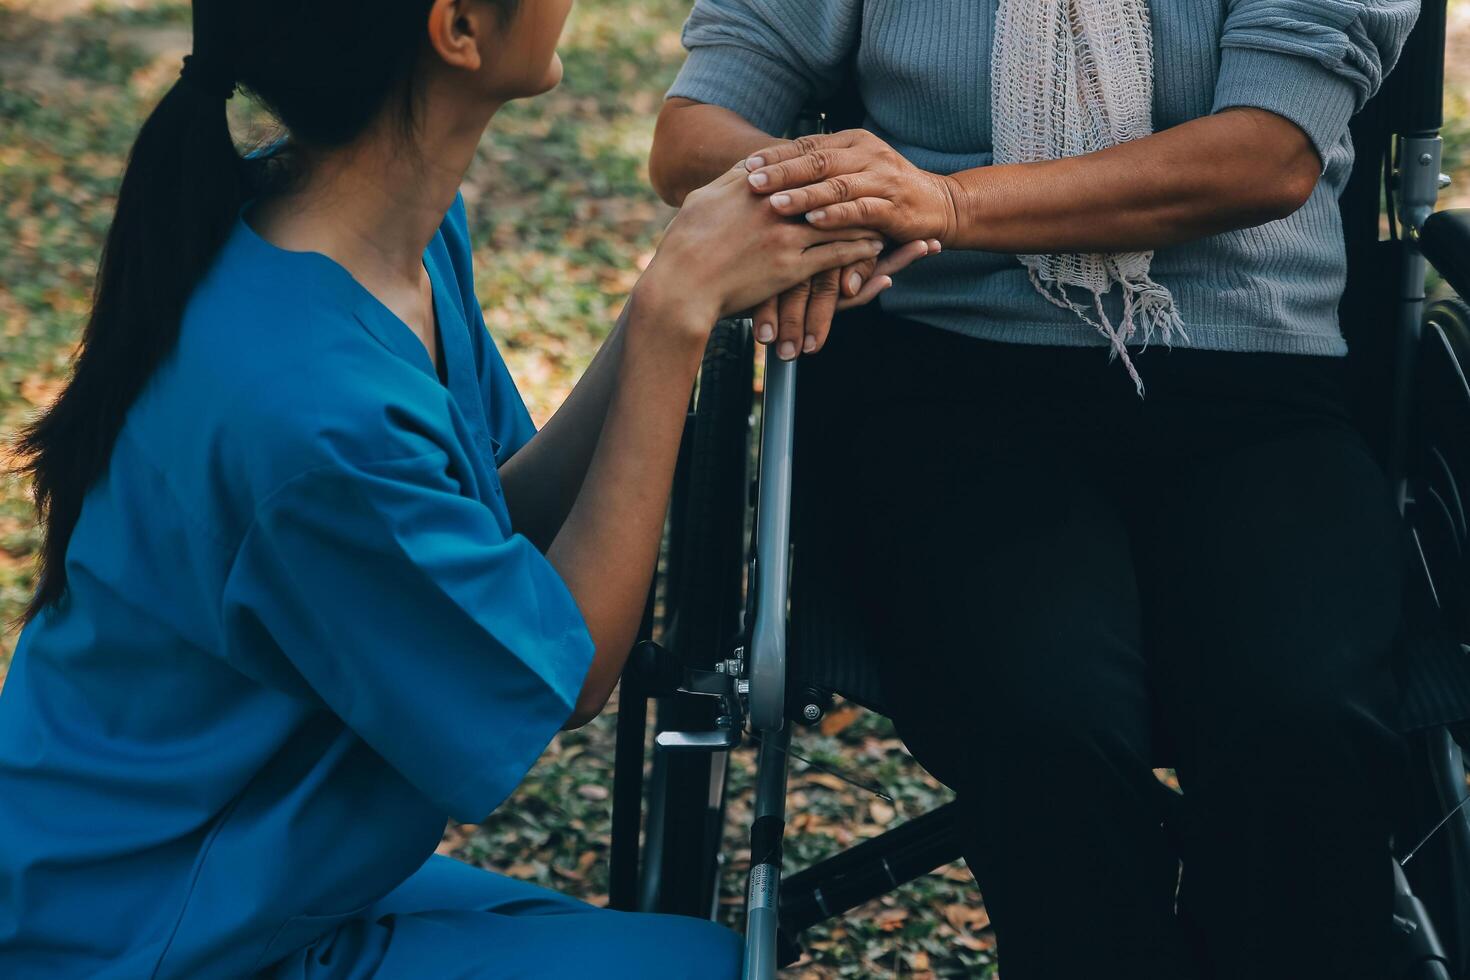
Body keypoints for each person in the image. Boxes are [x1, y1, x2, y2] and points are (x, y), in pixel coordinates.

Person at [0, 1, 934, 977]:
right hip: (141, 928)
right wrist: (671, 320)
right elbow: (563, 677)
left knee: (698, 952)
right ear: (456, 29)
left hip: (204, 869)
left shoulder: (367, 238)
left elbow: (497, 529)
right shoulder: (311, 415)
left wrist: (680, 275)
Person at [650, 1, 1420, 978]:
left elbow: (1269, 153)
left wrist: (950, 201)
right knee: (1044, 709)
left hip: (1249, 381)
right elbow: (692, 133)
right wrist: (814, 209)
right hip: (946, 382)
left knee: (1305, 709)